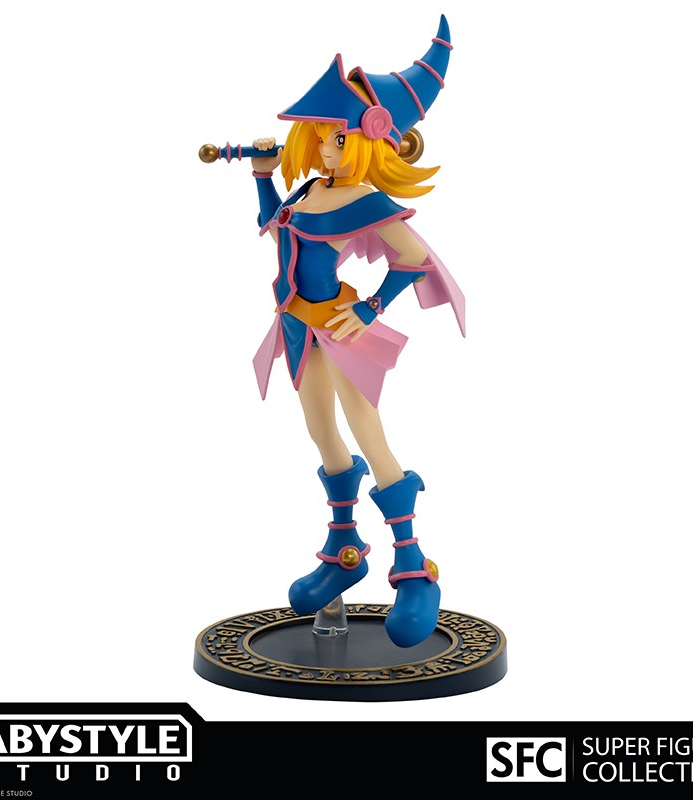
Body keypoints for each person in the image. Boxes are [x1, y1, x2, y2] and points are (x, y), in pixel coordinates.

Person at [248, 15, 464, 648]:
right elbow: (275, 227)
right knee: (322, 432)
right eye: (320, 139)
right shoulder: (310, 191)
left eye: (336, 139)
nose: (324, 150)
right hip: (296, 325)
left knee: (368, 432)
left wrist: (371, 308)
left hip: (340, 328)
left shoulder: (365, 201)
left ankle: (414, 565)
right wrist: (263, 176)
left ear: (370, 139)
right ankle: (345, 546)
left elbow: (413, 259)